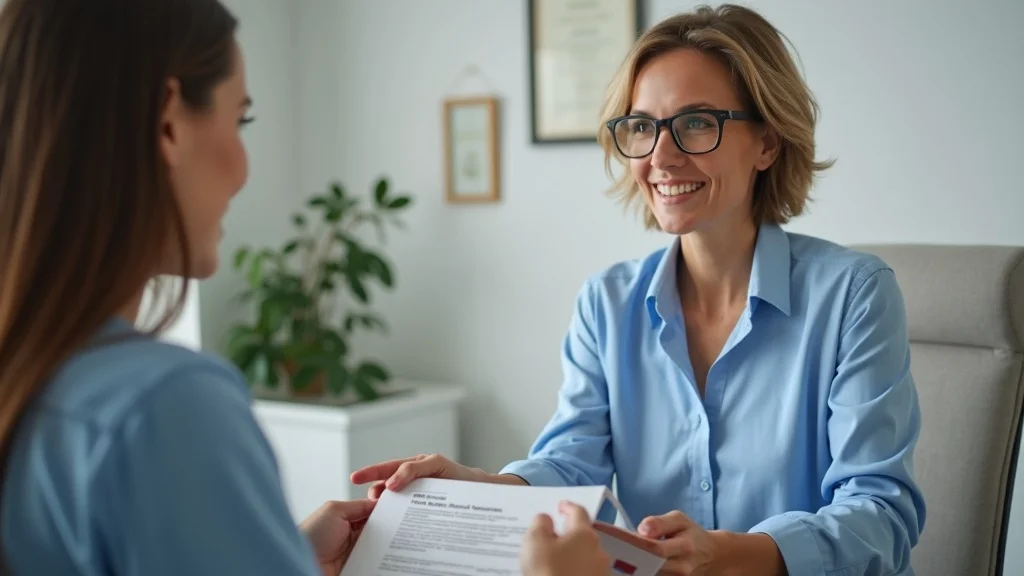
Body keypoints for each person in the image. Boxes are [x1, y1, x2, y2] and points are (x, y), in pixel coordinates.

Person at [0, 0, 611, 574]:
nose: (245, 167)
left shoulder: (37, 375)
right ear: (168, 125)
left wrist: (277, 552)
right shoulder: (164, 404)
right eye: (240, 120)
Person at [352, 4, 927, 575]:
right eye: (643, 126)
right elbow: (573, 464)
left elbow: (880, 515)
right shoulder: (606, 304)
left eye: (698, 122)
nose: (661, 156)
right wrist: (488, 488)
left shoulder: (854, 295)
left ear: (768, 144)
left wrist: (727, 556)